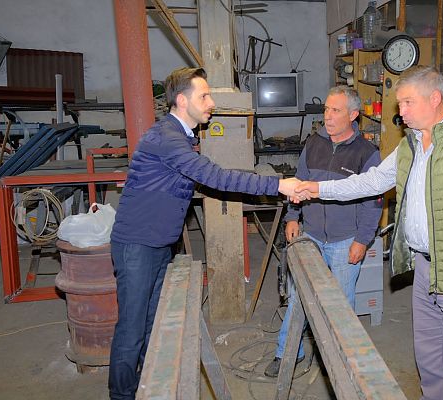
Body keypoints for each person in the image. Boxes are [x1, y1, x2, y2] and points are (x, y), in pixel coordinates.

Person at [293, 66, 443, 400]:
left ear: (434, 99)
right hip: (425, 270)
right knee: (430, 365)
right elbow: (372, 181)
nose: (400, 112)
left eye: (407, 102)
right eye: (399, 103)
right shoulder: (411, 146)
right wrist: (317, 189)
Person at [108, 67, 299, 399]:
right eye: (204, 96)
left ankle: (148, 386)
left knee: (152, 323)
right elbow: (216, 177)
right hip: (137, 246)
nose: (211, 103)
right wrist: (278, 185)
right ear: (182, 101)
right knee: (132, 329)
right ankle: (122, 395)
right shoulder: (167, 139)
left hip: (157, 244)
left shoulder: (181, 136)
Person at [264, 86, 382, 378]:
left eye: (335, 110)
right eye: (327, 109)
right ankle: (288, 353)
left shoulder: (367, 153)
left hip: (345, 241)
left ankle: (341, 362)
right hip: (311, 236)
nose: (327, 116)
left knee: (340, 305)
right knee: (299, 297)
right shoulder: (314, 143)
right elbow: (298, 183)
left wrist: (362, 240)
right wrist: (293, 217)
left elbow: (373, 202)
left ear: (353, 115)